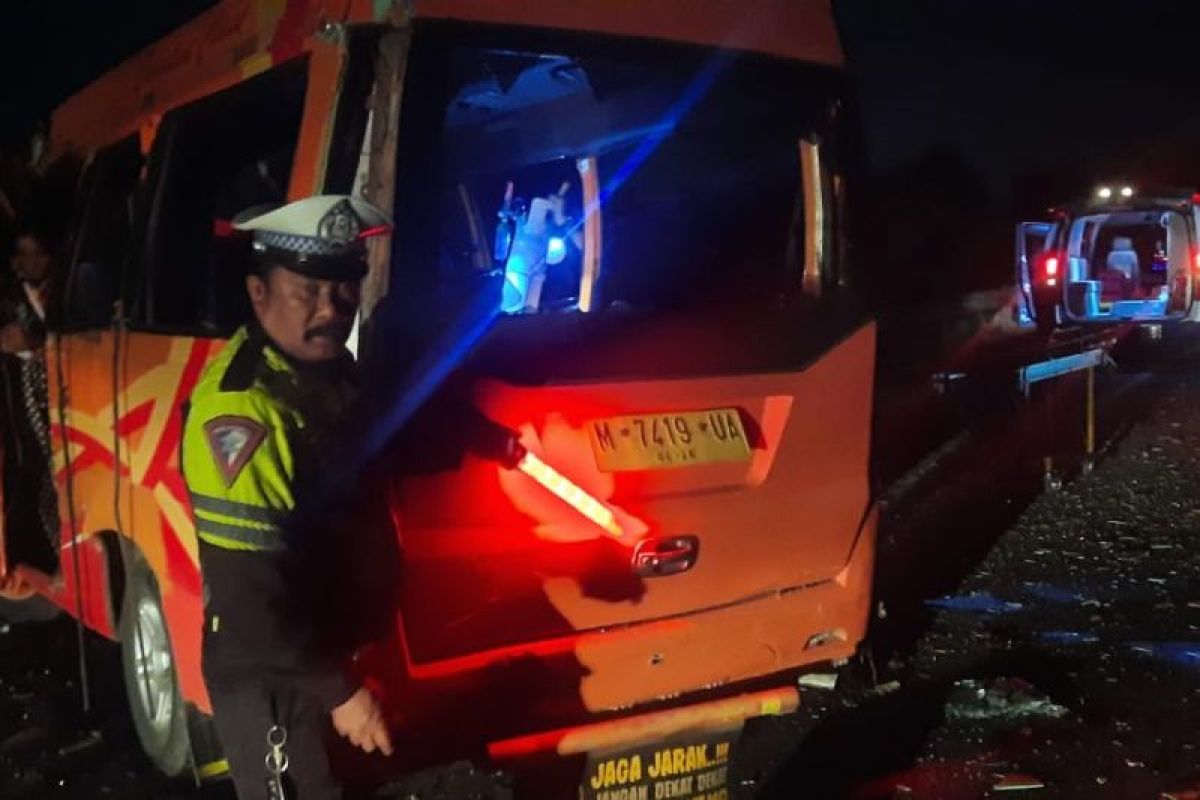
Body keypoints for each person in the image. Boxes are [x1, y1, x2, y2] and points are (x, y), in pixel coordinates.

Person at [181, 195, 394, 799]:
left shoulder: (331, 374)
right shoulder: (243, 408)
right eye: (308, 291)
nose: (332, 309)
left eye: (345, 289)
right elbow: (252, 601)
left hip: (333, 656)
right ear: (258, 293)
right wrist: (342, 694)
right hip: (280, 680)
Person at [0, 223, 58, 586]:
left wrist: (34, 346)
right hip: (26, 390)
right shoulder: (12, 296)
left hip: (58, 387)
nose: (24, 263)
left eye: (32, 254)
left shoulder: (62, 291)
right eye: (19, 256)